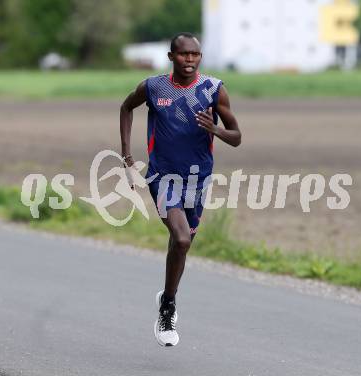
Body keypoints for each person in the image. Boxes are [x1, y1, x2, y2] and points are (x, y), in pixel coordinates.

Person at [120, 32, 241, 347]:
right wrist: (127, 155)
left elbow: (237, 135)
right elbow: (125, 107)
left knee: (181, 246)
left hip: (198, 179)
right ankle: (168, 309)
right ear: (171, 56)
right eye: (184, 54)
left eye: (195, 55)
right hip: (162, 176)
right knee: (182, 238)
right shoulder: (154, 87)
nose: (190, 60)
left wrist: (216, 129)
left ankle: (167, 296)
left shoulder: (214, 89)